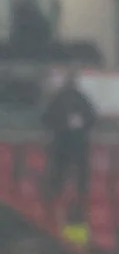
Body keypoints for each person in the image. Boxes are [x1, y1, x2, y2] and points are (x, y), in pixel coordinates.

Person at [39, 69, 95, 216]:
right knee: (61, 166)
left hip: (74, 139)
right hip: (65, 138)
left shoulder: (79, 99)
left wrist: (82, 124)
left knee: (77, 166)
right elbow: (47, 118)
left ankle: (78, 190)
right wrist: (61, 124)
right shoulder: (60, 99)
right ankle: (57, 190)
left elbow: (92, 117)